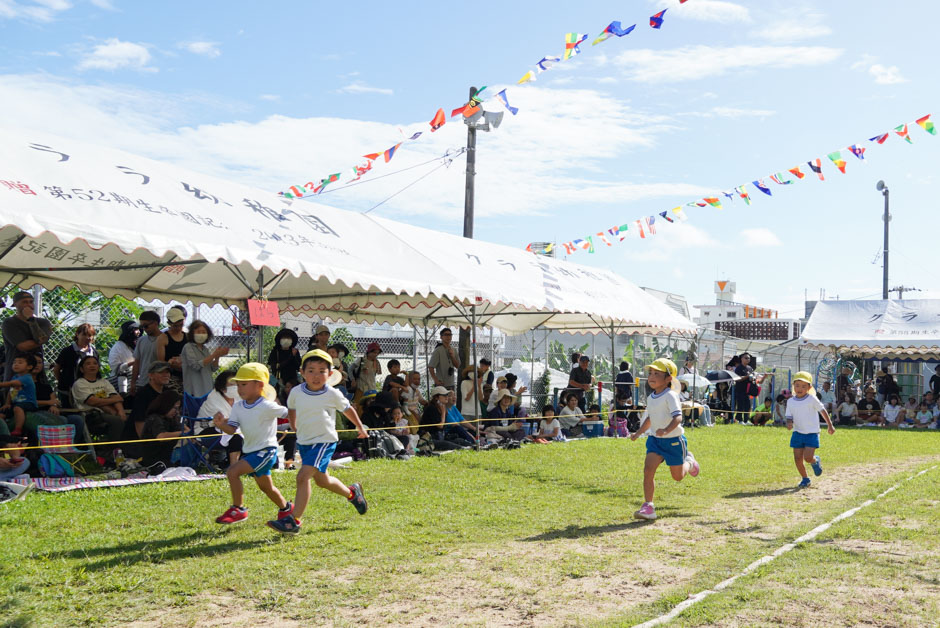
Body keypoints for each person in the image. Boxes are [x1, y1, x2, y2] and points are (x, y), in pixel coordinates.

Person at [268, 350, 369, 534]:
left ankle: (294, 521)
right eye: (311, 370)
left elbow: (348, 409)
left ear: (330, 374)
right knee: (322, 481)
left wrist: (360, 427)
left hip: (324, 441)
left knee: (302, 476)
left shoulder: (332, 393)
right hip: (305, 441)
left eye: (322, 371)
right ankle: (353, 493)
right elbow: (291, 407)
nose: (316, 375)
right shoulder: (297, 392)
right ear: (302, 372)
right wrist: (293, 424)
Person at [213, 363, 292, 525]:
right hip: (250, 451)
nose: (239, 389)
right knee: (266, 487)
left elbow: (289, 413)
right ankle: (286, 509)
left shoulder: (267, 406)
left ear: (260, 385)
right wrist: (221, 425)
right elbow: (231, 430)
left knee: (232, 472)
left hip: (266, 451)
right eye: (237, 385)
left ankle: (238, 509)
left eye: (244, 384)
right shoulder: (238, 406)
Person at [630, 358, 699, 521]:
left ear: (668, 379)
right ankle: (649, 506)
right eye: (650, 373)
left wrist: (666, 430)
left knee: (678, 477)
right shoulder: (651, 397)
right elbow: (650, 419)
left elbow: (678, 418)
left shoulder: (671, 396)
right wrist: (638, 433)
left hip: (674, 441)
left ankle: (689, 461)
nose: (651, 377)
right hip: (656, 441)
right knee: (648, 470)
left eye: (657, 374)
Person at [785, 371, 835, 489]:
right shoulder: (790, 401)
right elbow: (789, 416)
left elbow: (822, 411)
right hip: (797, 433)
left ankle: (814, 461)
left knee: (807, 458)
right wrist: (789, 423)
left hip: (812, 433)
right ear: (793, 386)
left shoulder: (812, 399)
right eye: (797, 385)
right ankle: (805, 479)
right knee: (797, 458)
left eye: (803, 386)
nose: (800, 388)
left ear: (809, 387)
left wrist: (830, 425)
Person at [71, 354, 126, 444]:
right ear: (81, 369)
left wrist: (121, 411)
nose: (92, 366)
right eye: (88, 364)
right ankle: (114, 451)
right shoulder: (80, 384)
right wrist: (110, 404)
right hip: (91, 415)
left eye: (95, 363)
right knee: (117, 421)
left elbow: (117, 398)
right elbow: (92, 401)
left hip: (109, 412)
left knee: (127, 419)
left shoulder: (104, 382)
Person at [33, 358, 86, 444]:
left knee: (77, 419)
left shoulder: (45, 386)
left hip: (51, 413)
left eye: (39, 362)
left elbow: (54, 400)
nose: (37, 365)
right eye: (33, 362)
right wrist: (48, 403)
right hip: (34, 413)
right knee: (61, 420)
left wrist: (53, 405)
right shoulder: (21, 383)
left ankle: (71, 448)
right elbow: (27, 402)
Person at [2, 291, 52, 381]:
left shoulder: (43, 322)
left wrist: (31, 320)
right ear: (15, 305)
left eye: (31, 302)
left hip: (37, 373)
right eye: (24, 302)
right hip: (16, 374)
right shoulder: (9, 322)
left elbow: (41, 339)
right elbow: (24, 346)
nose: (29, 305)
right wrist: (40, 339)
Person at [198, 370, 243, 467]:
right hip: (206, 431)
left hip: (228, 428)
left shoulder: (239, 397)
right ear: (223, 388)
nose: (236, 387)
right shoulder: (213, 399)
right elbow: (224, 420)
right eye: (232, 384)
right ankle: (233, 467)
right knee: (235, 436)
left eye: (237, 383)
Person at [180, 320, 229, 398]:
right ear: (192, 333)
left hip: (207, 389)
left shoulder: (205, 349)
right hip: (194, 391)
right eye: (198, 332)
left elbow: (213, 368)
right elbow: (195, 365)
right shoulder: (188, 347)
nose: (201, 334)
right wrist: (213, 355)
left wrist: (217, 356)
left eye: (203, 332)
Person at [53, 323, 98, 405]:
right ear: (77, 334)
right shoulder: (67, 351)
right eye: (84, 335)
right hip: (68, 390)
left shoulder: (94, 352)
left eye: (90, 335)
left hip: (88, 390)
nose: (87, 338)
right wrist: (63, 382)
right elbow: (56, 369)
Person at [139, 391, 183, 467]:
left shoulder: (170, 419)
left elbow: (184, 429)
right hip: (154, 461)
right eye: (175, 408)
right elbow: (161, 437)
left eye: (178, 409)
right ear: (166, 405)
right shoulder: (154, 418)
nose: (176, 411)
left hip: (166, 459)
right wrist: (182, 433)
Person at [130, 362, 172, 440]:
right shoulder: (143, 394)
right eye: (160, 372)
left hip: (163, 434)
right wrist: (145, 442)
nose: (165, 375)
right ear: (151, 375)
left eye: (167, 372)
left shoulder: (168, 393)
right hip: (143, 438)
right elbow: (139, 420)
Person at [0, 354, 37, 437]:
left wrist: (1, 384)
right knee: (2, 413)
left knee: (18, 408)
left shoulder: (27, 378)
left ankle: (18, 429)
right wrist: (7, 403)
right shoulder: (15, 377)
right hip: (15, 403)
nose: (16, 364)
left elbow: (13, 384)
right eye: (14, 362)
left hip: (28, 403)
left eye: (20, 362)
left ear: (29, 367)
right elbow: (11, 392)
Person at [155, 308, 188, 394]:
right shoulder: (163, 338)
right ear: (169, 324)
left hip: (187, 375)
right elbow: (160, 363)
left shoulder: (187, 337)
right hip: (170, 377)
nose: (178, 328)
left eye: (181, 325)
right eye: (175, 326)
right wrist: (171, 363)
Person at [130, 311, 161, 396]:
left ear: (155, 323)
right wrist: (133, 382)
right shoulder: (141, 340)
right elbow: (137, 362)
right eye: (142, 326)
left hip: (159, 384)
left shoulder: (164, 339)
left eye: (146, 326)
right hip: (142, 383)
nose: (144, 329)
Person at [108, 321, 139, 396]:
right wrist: (133, 363)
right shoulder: (118, 347)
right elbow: (116, 367)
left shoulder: (136, 345)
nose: (138, 332)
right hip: (121, 381)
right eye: (136, 329)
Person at [733, 352, 765, 423]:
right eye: (746, 358)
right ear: (741, 359)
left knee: (747, 406)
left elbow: (754, 377)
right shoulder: (739, 368)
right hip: (739, 390)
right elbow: (737, 379)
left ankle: (746, 420)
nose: (748, 359)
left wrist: (754, 378)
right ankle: (739, 419)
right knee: (740, 405)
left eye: (749, 358)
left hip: (747, 390)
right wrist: (747, 376)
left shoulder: (750, 368)